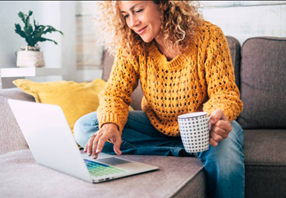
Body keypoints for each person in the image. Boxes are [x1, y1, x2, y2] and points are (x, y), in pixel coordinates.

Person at [74, 1, 245, 197]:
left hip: (203, 128)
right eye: (125, 15)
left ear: (164, 4)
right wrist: (111, 124)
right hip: (156, 126)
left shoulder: (209, 36)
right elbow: (115, 93)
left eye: (138, 10)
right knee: (85, 127)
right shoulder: (132, 43)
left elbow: (224, 94)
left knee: (225, 149)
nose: (132, 22)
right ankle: (186, 150)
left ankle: (192, 147)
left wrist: (214, 119)